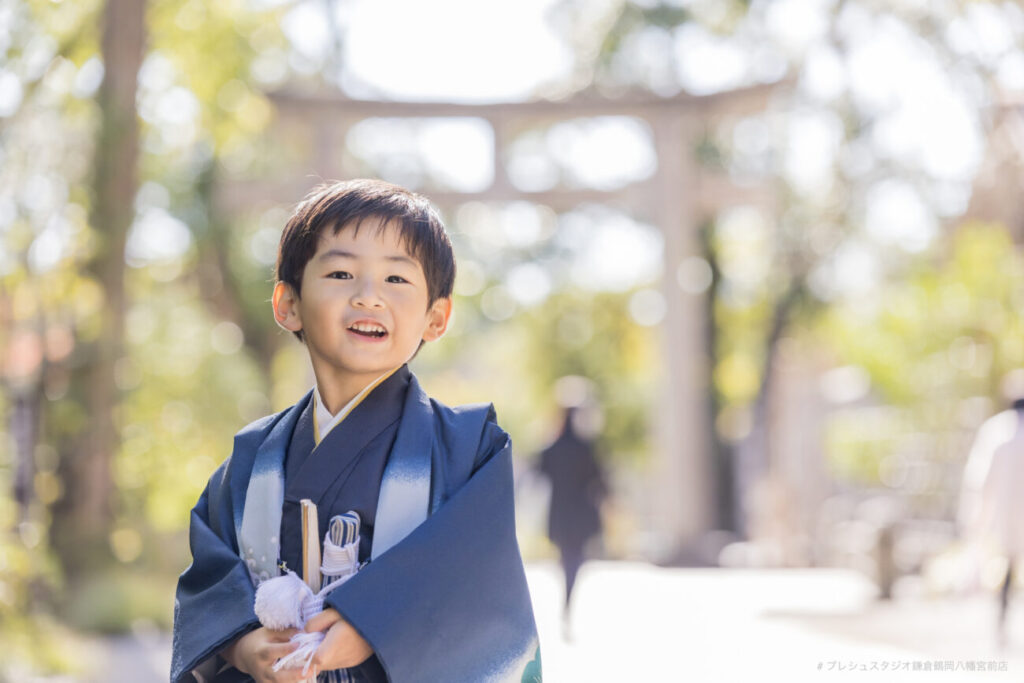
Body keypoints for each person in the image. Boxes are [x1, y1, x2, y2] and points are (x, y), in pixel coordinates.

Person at [171, 179, 541, 683]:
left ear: (437, 317)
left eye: (396, 279)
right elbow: (210, 582)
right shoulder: (251, 458)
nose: (369, 297)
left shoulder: (469, 448)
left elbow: (475, 575)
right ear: (288, 304)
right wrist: (242, 644)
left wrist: (375, 624)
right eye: (342, 273)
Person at [960, 373, 1024, 647]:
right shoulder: (998, 432)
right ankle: (1002, 627)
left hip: (1006, 515)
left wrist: (978, 519)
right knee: (1008, 570)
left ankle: (1001, 627)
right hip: (1011, 515)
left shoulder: (997, 431)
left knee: (1007, 569)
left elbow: (981, 481)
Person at [537, 399, 607, 637]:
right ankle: (567, 600)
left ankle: (566, 600)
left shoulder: (553, 448)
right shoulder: (586, 448)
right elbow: (600, 480)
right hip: (580, 513)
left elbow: (540, 471)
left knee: (567, 558)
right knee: (574, 560)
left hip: (560, 513)